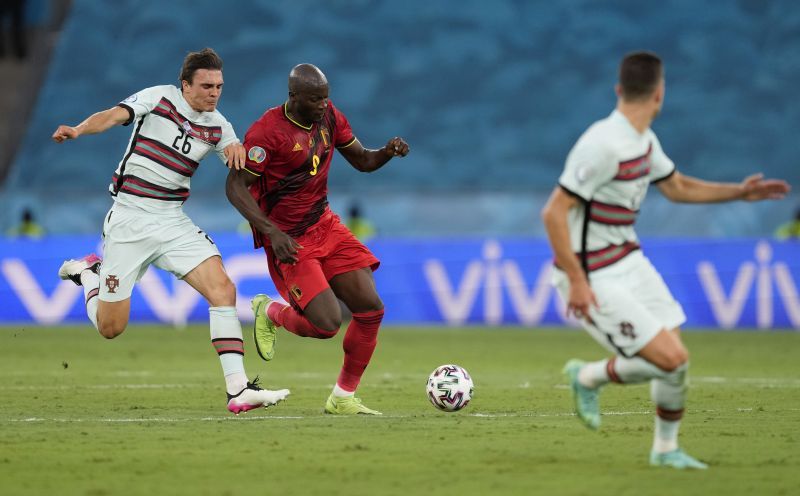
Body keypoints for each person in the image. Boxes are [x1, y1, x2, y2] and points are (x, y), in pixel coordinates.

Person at [541, 51, 790, 469]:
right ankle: (586, 377)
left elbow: (676, 186)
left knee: (675, 358)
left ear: (620, 89)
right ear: (661, 94)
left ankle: (665, 450)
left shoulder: (644, 141)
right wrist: (578, 281)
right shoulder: (602, 144)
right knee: (670, 359)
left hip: (629, 260)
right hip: (594, 273)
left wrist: (739, 192)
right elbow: (553, 212)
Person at [52, 48, 289, 414]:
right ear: (185, 85)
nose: (214, 92)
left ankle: (238, 390)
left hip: (171, 220)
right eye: (207, 85)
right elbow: (114, 116)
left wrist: (240, 154)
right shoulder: (158, 97)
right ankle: (87, 273)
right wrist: (79, 129)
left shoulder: (219, 125)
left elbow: (235, 158)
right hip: (130, 217)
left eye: (219, 86)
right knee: (110, 328)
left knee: (223, 289)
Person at [226, 63, 409, 415]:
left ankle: (342, 398)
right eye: (315, 100)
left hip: (326, 225)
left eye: (326, 98)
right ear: (294, 97)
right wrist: (271, 232)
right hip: (289, 239)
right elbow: (234, 186)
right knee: (326, 325)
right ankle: (271, 312)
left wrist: (386, 152)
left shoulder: (330, 118)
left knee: (371, 309)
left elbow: (363, 161)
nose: (323, 105)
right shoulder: (267, 133)